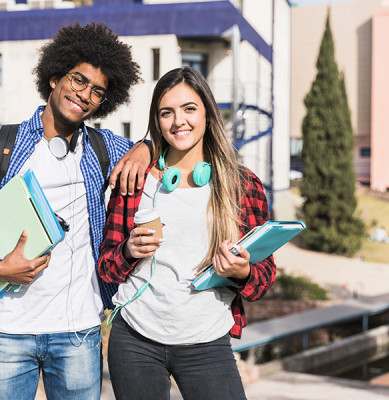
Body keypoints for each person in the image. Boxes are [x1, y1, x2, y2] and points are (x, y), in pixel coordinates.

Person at [0, 22, 148, 400]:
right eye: (78, 80)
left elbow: (161, 147)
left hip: (79, 334)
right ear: (54, 78)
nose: (84, 95)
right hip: (6, 333)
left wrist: (146, 147)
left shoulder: (106, 148)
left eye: (97, 91)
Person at [98, 67, 277, 400]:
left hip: (207, 340)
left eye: (189, 109)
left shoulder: (242, 184)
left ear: (207, 114)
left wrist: (243, 272)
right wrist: (128, 251)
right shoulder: (136, 180)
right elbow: (106, 266)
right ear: (157, 121)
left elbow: (265, 275)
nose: (178, 121)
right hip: (136, 339)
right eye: (167, 112)